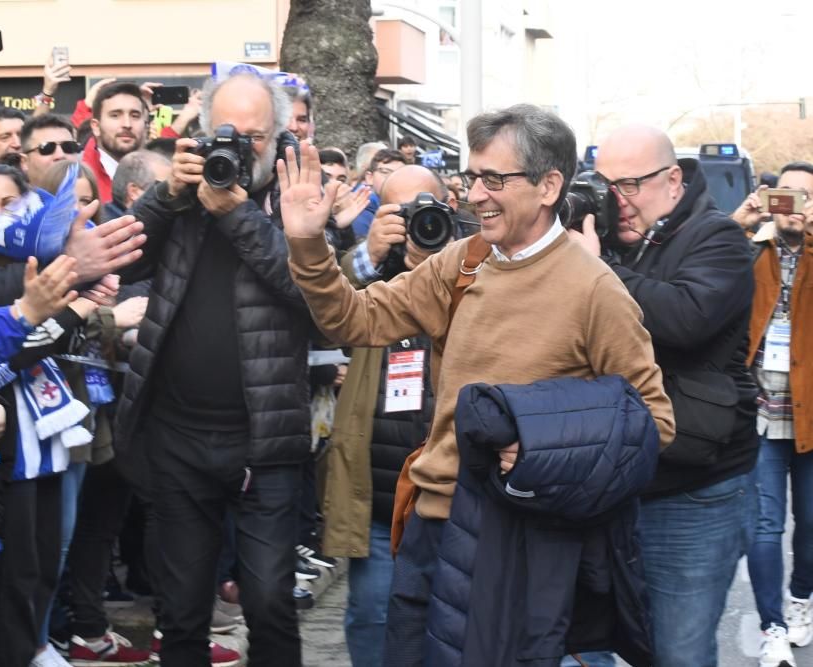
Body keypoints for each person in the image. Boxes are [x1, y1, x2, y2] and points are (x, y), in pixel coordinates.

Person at [277, 105, 674, 666]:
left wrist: (540, 446)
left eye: (495, 179)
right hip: (430, 528)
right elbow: (353, 320)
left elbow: (652, 423)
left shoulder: (596, 292)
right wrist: (307, 244)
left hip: (520, 544)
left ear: (548, 186)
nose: (475, 195)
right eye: (473, 178)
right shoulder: (464, 262)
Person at [114, 71, 311, 667]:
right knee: (180, 612)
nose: (237, 146)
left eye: (253, 136)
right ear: (200, 134)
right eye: (225, 132)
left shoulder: (296, 199)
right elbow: (123, 258)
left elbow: (311, 293)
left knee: (271, 598)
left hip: (265, 442)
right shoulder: (179, 198)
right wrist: (169, 194)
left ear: (277, 139)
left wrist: (235, 213)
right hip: (178, 437)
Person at [568, 124, 758, 667]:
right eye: (605, 185)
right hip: (610, 480)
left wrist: (596, 269)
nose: (615, 201)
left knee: (679, 651)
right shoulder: (605, 238)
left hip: (693, 488)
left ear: (673, 179)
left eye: (629, 185)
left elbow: (685, 319)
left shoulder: (716, 237)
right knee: (586, 641)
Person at [321, 165, 455, 667]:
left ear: (449, 207)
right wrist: (369, 253)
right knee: (372, 618)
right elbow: (322, 319)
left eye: (427, 206)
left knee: (453, 623)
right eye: (401, 210)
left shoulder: (480, 264)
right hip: (380, 495)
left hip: (455, 493)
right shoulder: (368, 273)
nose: (418, 219)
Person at [732, 161, 813, 666]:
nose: (797, 205)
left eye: (807, 196)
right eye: (788, 195)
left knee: (810, 522)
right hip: (760, 413)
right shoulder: (748, 251)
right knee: (764, 525)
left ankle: (802, 598)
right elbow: (701, 269)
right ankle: (772, 625)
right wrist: (735, 222)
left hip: (810, 418)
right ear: (770, 198)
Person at [83, 82, 148, 203]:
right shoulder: (76, 177)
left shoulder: (159, 175)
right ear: (96, 127)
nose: (127, 124)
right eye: (115, 115)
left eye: (135, 115)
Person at [351, 149, 408, 238]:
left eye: (400, 174)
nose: (392, 178)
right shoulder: (359, 214)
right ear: (370, 177)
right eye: (385, 172)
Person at [20, 114, 80, 187]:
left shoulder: (93, 196)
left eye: (68, 147)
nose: (60, 155)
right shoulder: (12, 197)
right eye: (47, 148)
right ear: (24, 162)